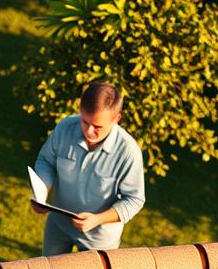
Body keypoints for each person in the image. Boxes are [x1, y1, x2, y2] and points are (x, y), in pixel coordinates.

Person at [31, 81, 145, 255]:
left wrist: (97, 219)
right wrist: (42, 192)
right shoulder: (65, 127)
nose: (89, 131)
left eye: (98, 127)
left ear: (116, 119)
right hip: (58, 225)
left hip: (100, 239)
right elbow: (46, 161)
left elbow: (134, 200)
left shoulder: (128, 152)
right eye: (85, 122)